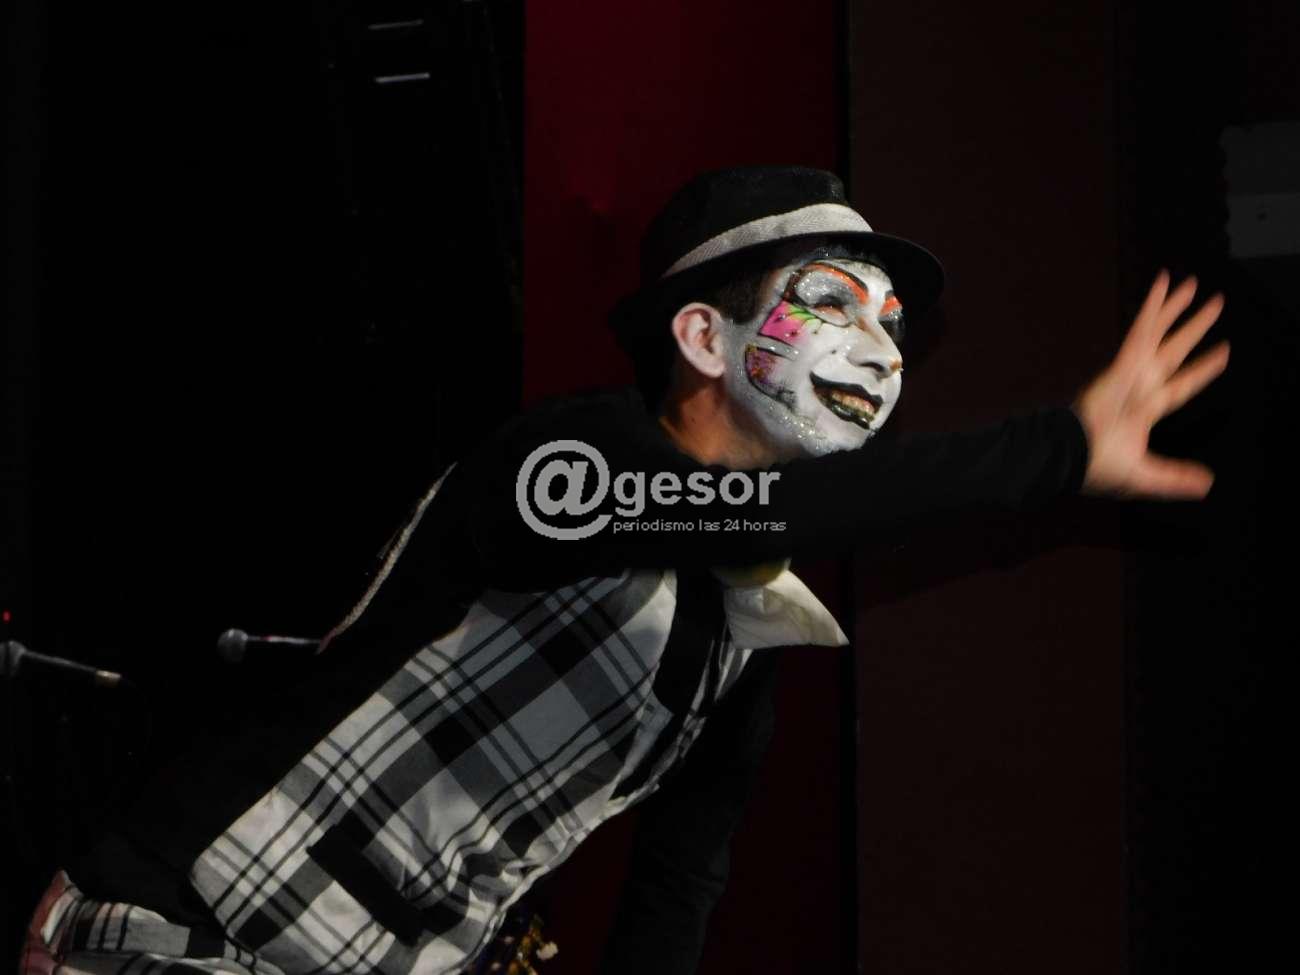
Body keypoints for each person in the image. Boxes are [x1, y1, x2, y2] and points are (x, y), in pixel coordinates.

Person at [20, 166, 1227, 975]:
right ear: (701, 335)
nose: (879, 348)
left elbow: (678, 879)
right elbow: (743, 507)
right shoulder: (567, 463)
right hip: (182, 936)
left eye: (890, 319)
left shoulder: (746, 628)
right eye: (832, 302)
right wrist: (1058, 449)